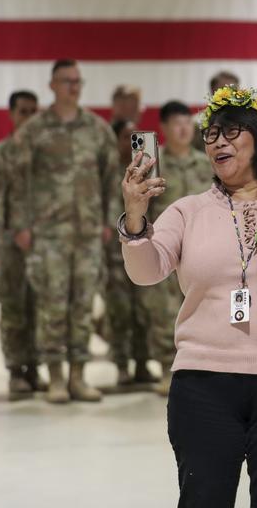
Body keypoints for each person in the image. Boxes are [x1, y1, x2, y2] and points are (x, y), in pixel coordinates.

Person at [120, 87, 257, 506]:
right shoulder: (187, 210)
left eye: (232, 131)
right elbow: (146, 271)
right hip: (203, 385)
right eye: (212, 134)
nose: (218, 141)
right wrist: (135, 216)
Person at [7, 59, 118, 404]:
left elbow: (112, 179)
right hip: (48, 235)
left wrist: (107, 221)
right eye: (66, 80)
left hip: (87, 233)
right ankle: (55, 377)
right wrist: (21, 225)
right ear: (52, 85)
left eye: (77, 81)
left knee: (82, 305)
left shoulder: (97, 129)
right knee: (52, 305)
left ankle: (77, 377)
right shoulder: (34, 130)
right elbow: (16, 181)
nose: (73, 86)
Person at [142, 100, 211, 395]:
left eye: (187, 123)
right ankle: (167, 367)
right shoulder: (154, 167)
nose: (183, 129)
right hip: (165, 246)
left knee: (203, 305)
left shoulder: (207, 162)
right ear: (165, 129)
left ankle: (202, 367)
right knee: (164, 309)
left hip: (203, 246)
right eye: (176, 124)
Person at [0, 90, 47, 399]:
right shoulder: (0, 153)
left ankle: (35, 366)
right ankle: (16, 369)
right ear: (12, 114)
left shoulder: (45, 155)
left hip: (44, 241)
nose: (29, 118)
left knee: (41, 305)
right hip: (10, 242)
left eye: (33, 112)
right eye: (23, 112)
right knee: (14, 305)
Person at [105, 119, 155, 387]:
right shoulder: (109, 171)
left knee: (144, 311)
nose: (130, 143)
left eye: (133, 137)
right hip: (113, 254)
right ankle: (122, 365)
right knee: (120, 312)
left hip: (141, 247)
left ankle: (143, 363)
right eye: (125, 137)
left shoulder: (147, 171)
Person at [192, 70, 240, 150]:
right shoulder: (197, 122)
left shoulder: (248, 120)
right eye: (223, 89)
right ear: (213, 92)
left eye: (233, 90)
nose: (229, 94)